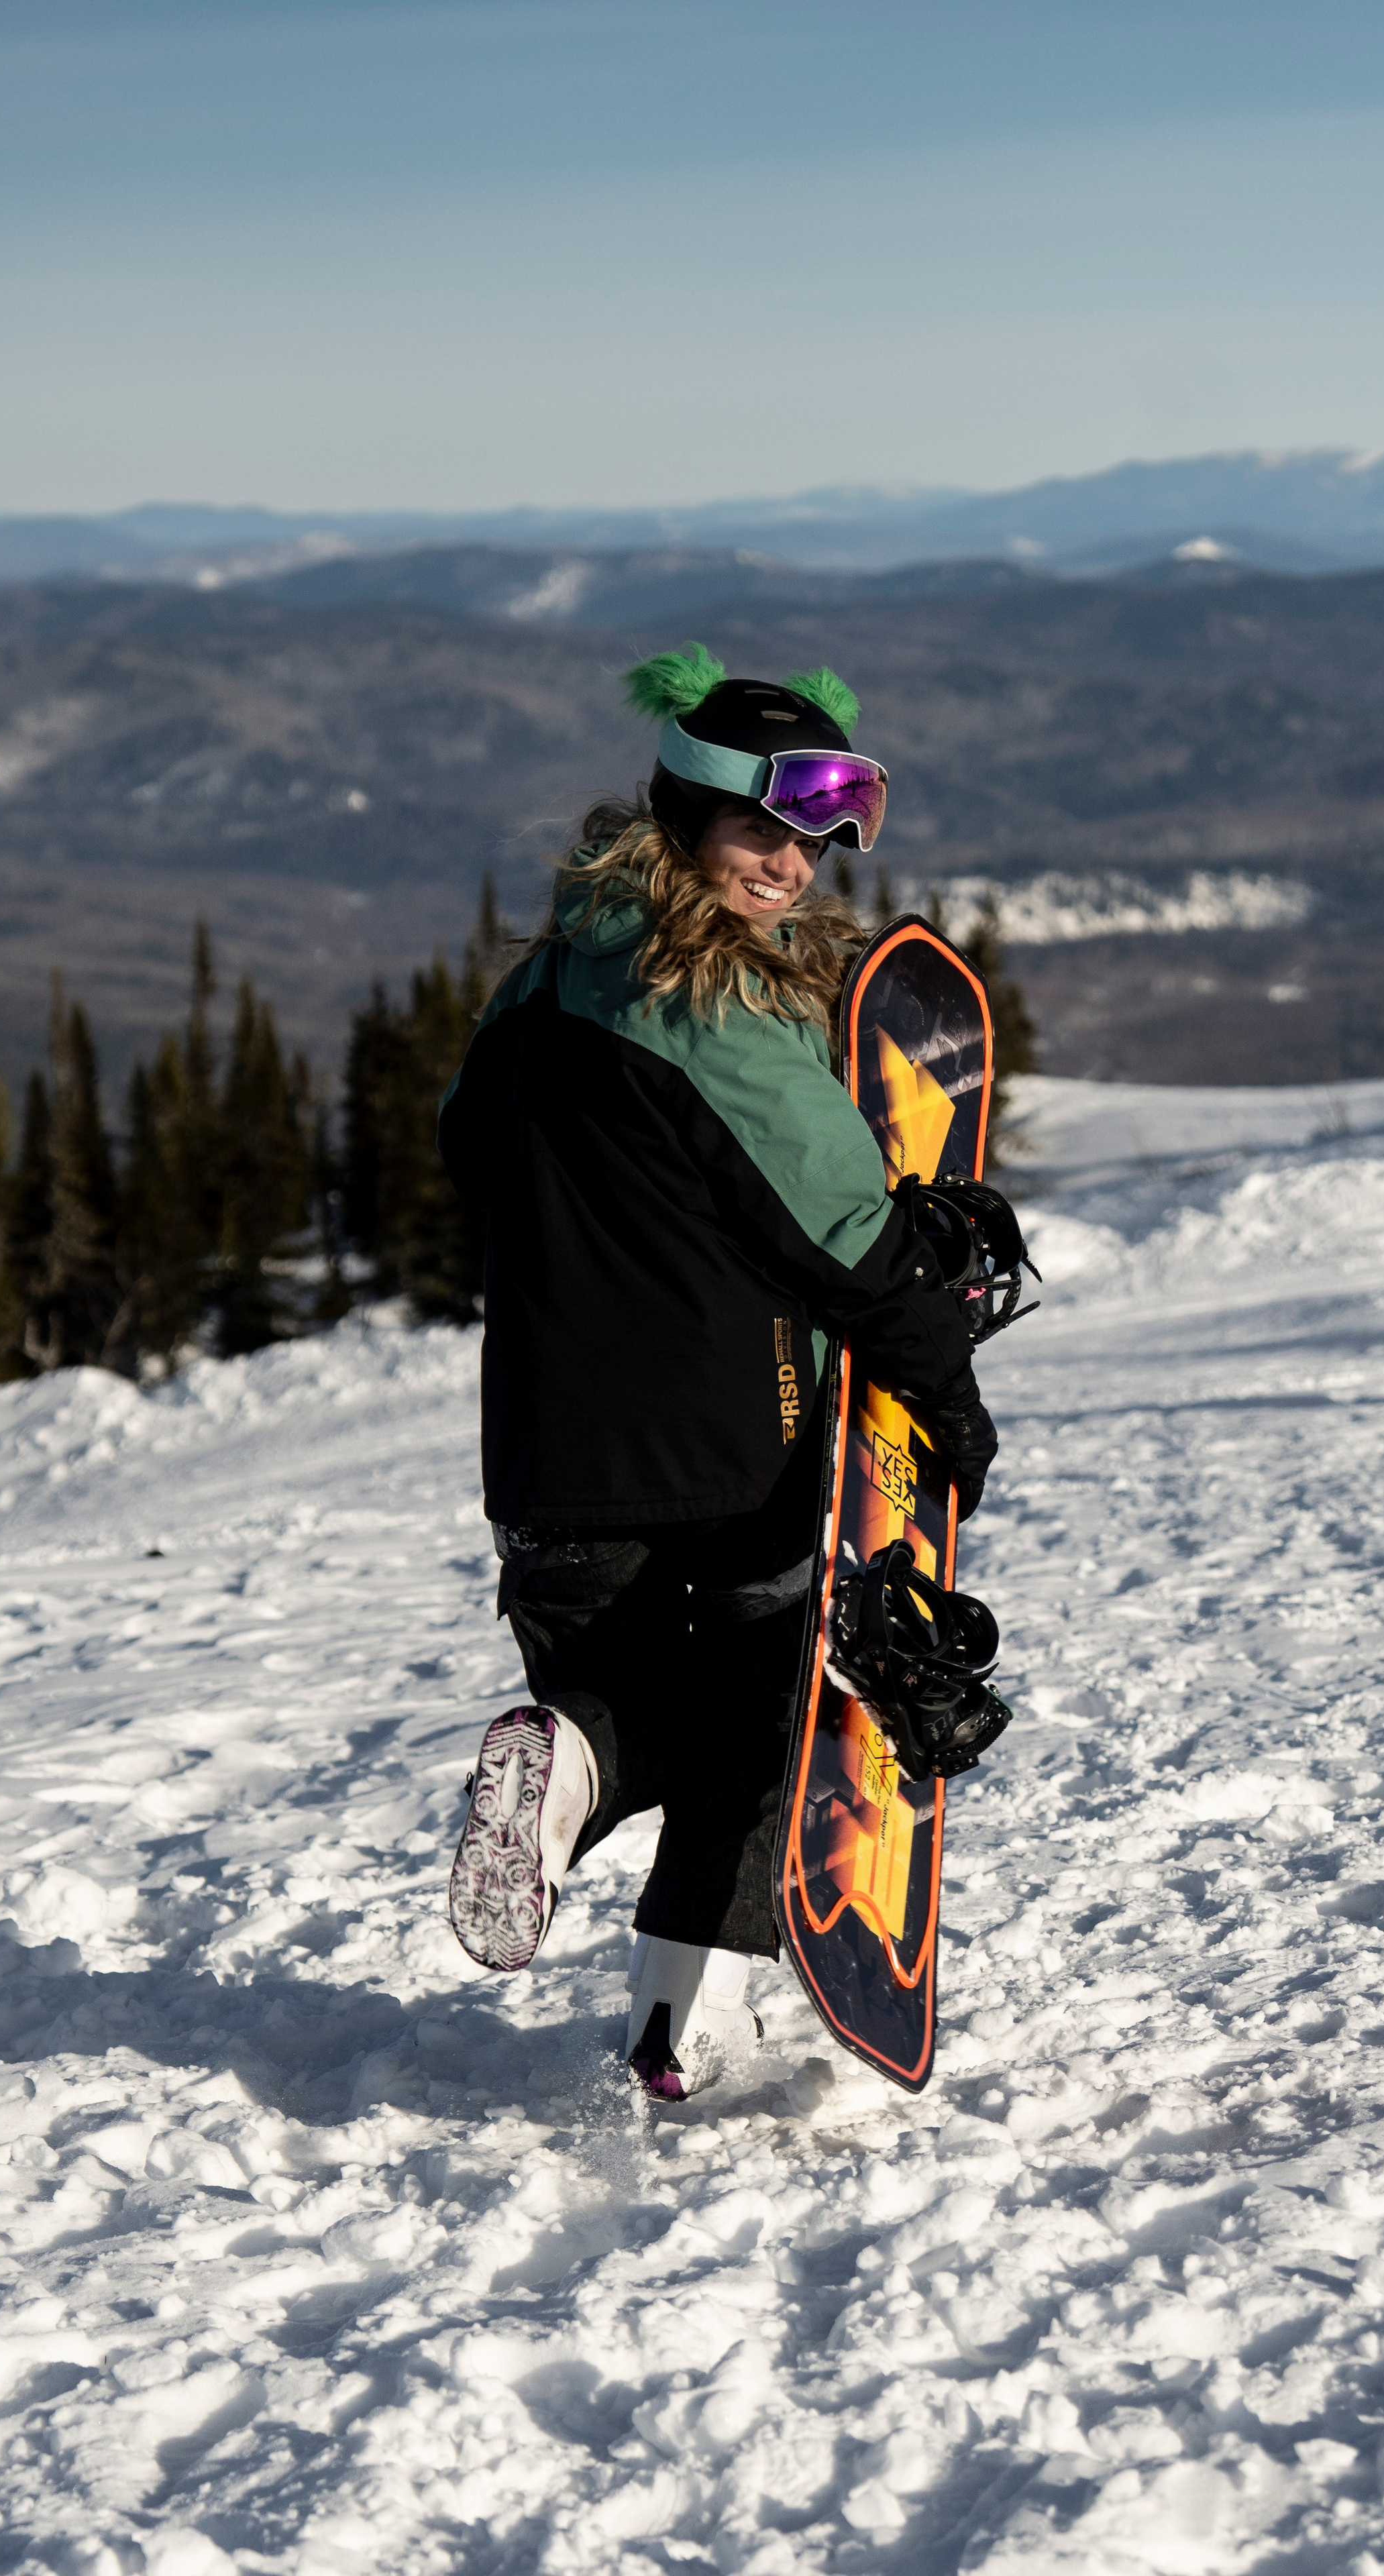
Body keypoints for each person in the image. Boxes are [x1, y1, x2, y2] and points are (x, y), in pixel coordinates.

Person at [438, 643, 999, 2096]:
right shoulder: (721, 1010)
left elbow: (462, 1159)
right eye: (762, 830)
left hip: (545, 1457)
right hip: (732, 1439)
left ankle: (565, 1798)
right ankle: (696, 2018)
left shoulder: (541, 987)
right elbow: (845, 1237)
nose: (792, 866)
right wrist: (941, 1387)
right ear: (681, 819)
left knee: (625, 1714)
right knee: (777, 1720)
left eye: (819, 840)